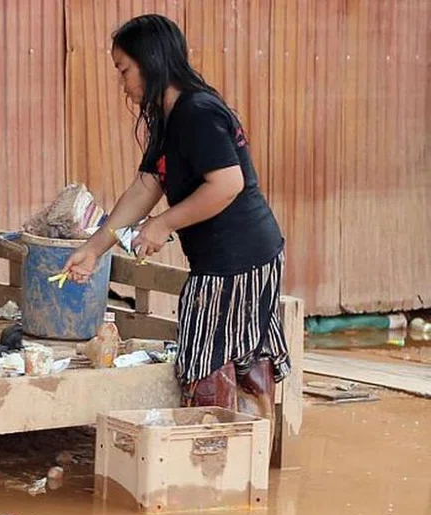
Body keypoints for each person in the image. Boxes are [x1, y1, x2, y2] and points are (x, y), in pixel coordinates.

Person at [63, 14, 290, 426]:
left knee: (206, 361)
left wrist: (163, 224)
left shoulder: (197, 111)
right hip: (230, 257)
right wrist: (93, 249)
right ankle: (241, 458)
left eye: (123, 69)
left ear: (150, 62)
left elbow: (226, 184)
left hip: (238, 257)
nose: (123, 83)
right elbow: (146, 187)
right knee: (237, 355)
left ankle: (214, 461)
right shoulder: (169, 117)